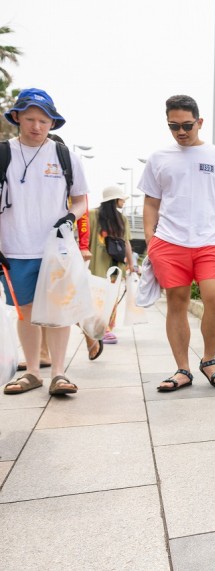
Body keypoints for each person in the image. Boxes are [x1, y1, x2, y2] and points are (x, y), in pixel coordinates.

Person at [140, 94, 215, 393]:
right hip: (170, 241)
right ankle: (182, 369)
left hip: (211, 241)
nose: (181, 132)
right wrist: (150, 238)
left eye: (186, 125)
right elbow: (150, 202)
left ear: (199, 122)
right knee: (177, 303)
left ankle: (209, 360)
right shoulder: (159, 158)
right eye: (174, 126)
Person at [0, 88, 89, 395]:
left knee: (58, 311)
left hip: (56, 249)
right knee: (25, 311)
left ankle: (60, 373)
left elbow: (80, 201)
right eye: (29, 119)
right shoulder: (3, 154)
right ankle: (33, 371)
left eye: (43, 120)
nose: (36, 126)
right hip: (14, 248)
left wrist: (70, 217)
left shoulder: (66, 157)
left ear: (52, 123)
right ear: (17, 118)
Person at [86, 185, 134, 345]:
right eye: (122, 199)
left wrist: (131, 264)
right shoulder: (92, 215)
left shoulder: (122, 219)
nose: (124, 202)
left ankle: (106, 328)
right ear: (115, 200)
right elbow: (84, 237)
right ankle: (101, 328)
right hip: (95, 265)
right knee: (97, 298)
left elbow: (126, 242)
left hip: (115, 266)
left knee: (111, 298)